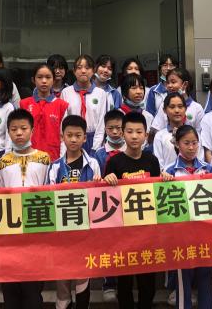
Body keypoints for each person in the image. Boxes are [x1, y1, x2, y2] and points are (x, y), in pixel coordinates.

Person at [103, 112, 163, 309]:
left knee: (147, 283)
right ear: (122, 134)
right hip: (123, 233)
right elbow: (105, 196)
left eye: (139, 132)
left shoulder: (152, 161)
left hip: (147, 231)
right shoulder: (114, 162)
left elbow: (157, 191)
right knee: (125, 283)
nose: (134, 136)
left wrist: (166, 178)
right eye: (129, 131)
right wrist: (106, 180)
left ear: (146, 135)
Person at [0, 109, 50, 309]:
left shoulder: (45, 159)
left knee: (33, 287)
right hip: (9, 229)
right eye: (14, 129)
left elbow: (49, 190)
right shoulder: (3, 162)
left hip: (36, 227)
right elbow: (0, 193)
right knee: (10, 285)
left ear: (32, 130)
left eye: (23, 128)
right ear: (8, 132)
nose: (19, 133)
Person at [47, 115, 100, 309]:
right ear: (62, 137)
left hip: (84, 228)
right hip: (61, 230)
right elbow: (49, 195)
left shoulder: (93, 164)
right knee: (62, 276)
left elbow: (98, 195)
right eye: (69, 135)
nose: (74, 139)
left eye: (78, 135)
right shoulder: (54, 167)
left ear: (85, 138)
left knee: (82, 274)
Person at [162, 125, 212, 309]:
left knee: (206, 278)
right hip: (182, 236)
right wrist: (164, 182)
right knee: (183, 279)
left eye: (194, 143)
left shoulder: (208, 169)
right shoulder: (169, 171)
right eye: (186, 143)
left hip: (206, 233)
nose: (191, 147)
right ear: (177, 144)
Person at [92, 108, 125, 303]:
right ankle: (109, 283)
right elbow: (96, 178)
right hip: (107, 205)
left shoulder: (132, 149)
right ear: (105, 129)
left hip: (129, 203)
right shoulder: (99, 154)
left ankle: (125, 282)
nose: (115, 132)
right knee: (109, 245)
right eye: (110, 128)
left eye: (118, 128)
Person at [19, 63, 70, 161]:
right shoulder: (24, 104)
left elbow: (63, 136)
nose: (44, 81)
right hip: (29, 158)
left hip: (53, 158)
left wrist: (61, 160)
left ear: (53, 80)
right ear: (33, 80)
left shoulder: (61, 105)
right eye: (40, 77)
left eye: (48, 77)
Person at [61, 54, 109, 153]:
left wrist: (95, 148)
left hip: (93, 138)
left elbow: (101, 124)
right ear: (74, 71)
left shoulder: (101, 94)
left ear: (93, 71)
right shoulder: (66, 92)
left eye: (87, 68)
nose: (83, 71)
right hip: (72, 137)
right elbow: (63, 121)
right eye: (79, 68)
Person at [150, 68, 203, 141]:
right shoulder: (164, 105)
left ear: (185, 84)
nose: (169, 86)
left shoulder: (197, 108)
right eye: (168, 83)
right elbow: (156, 129)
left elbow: (200, 135)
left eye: (173, 82)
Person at [153, 92, 202, 170]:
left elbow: (200, 160)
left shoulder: (194, 135)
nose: (177, 110)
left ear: (185, 109)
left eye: (180, 106)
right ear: (164, 110)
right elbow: (159, 163)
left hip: (193, 176)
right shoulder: (159, 136)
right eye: (172, 107)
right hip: (168, 177)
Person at [144, 54, 178, 119]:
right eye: (165, 65)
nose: (168, 68)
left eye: (171, 65)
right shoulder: (153, 90)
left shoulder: (181, 87)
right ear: (160, 68)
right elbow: (150, 115)